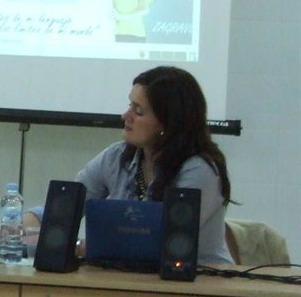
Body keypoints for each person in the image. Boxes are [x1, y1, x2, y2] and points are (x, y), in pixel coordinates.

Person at [28, 66, 233, 266]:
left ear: (167, 123)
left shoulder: (199, 170)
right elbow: (66, 208)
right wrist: (26, 223)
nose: (125, 116)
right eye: (129, 106)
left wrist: (79, 246)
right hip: (128, 279)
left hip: (200, 281)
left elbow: (156, 243)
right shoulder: (116, 157)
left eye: (139, 111)